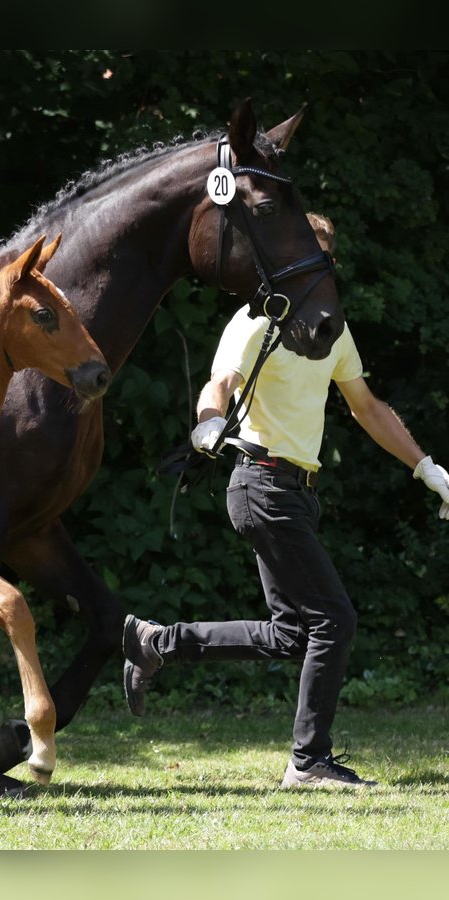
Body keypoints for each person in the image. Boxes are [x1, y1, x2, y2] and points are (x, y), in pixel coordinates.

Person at [123, 213, 449, 788]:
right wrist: (209, 423)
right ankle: (309, 761)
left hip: (296, 493)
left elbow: (367, 407)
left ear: (328, 268)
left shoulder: (333, 332)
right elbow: (218, 383)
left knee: (292, 633)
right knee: (335, 619)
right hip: (262, 483)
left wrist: (425, 467)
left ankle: (156, 644)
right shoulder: (256, 323)